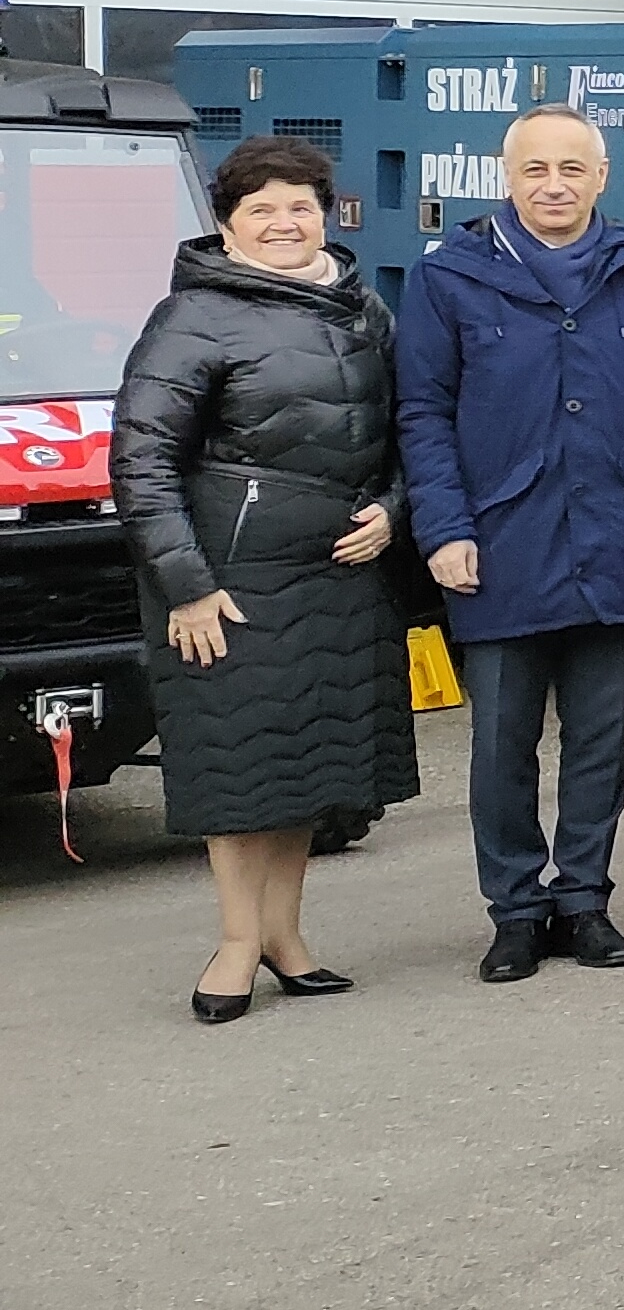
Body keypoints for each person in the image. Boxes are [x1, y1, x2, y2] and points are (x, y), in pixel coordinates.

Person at [395, 104, 624, 982]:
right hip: (499, 541)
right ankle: (516, 911)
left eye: (573, 169)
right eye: (536, 170)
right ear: (507, 176)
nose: (555, 186)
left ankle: (585, 901)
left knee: (600, 740)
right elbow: (421, 413)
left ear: (602, 176)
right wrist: (445, 528)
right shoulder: (451, 277)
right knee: (501, 743)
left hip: (616, 531)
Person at [113, 136, 414, 1021]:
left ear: (325, 212)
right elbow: (141, 460)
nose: (285, 224)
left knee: (304, 764)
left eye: (300, 207)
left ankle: (287, 935)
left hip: (340, 573)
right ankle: (238, 942)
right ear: (228, 225)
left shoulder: (365, 308)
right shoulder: (192, 317)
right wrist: (187, 585)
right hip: (229, 578)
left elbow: (412, 429)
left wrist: (395, 511)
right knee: (237, 766)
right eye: (262, 211)